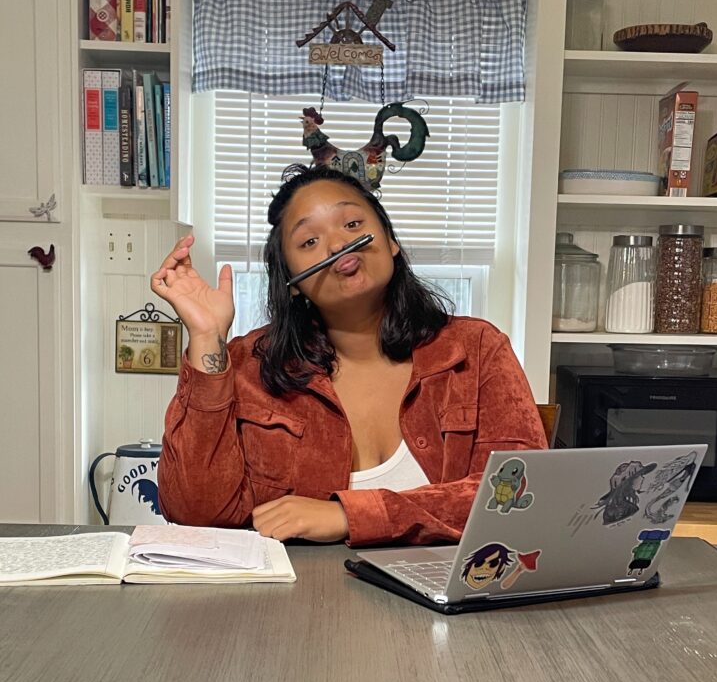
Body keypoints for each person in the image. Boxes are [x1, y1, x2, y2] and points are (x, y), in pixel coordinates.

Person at [153, 165, 546, 545]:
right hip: (296, 602)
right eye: (309, 242)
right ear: (291, 282)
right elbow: (194, 512)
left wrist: (349, 515)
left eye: (353, 225)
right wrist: (206, 338)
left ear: (390, 242)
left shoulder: (476, 348)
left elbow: (520, 497)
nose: (339, 245)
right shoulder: (248, 365)